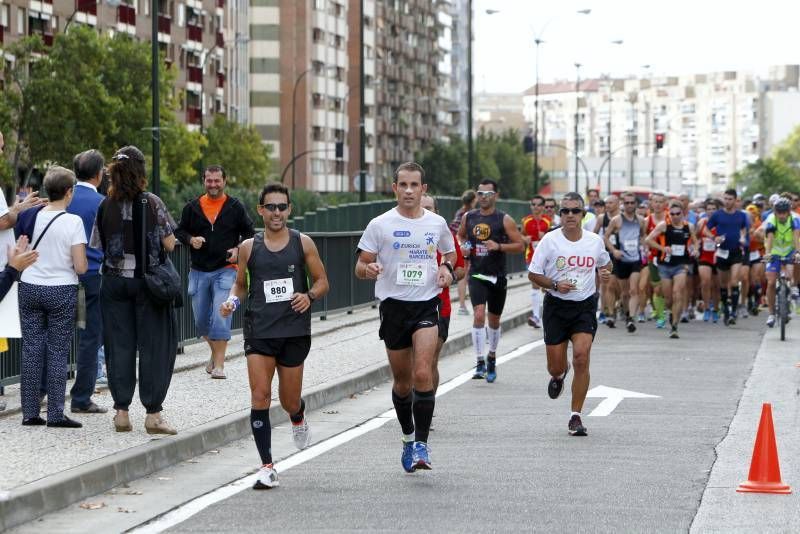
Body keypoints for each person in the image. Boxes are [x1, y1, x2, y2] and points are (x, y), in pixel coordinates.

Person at [220, 181, 328, 489]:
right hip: (260, 331)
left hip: (293, 330)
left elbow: (322, 282)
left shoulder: (303, 243)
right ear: (261, 210)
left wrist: (309, 295)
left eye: (282, 207)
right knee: (260, 396)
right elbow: (241, 285)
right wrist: (231, 301)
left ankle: (297, 416)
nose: (277, 212)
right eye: (271, 207)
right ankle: (267, 466)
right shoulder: (248, 247)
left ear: (289, 209)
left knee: (288, 399)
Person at [355, 162, 455, 473]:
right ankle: (408, 438)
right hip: (393, 307)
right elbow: (360, 265)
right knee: (402, 382)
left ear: (424, 189)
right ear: (395, 188)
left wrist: (446, 269)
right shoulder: (379, 224)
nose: (409, 190)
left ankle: (422, 445)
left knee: (423, 373)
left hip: (426, 303)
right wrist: (368, 269)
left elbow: (450, 255)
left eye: (415, 185)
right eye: (403, 185)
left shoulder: (436, 223)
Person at [91, 146, 179, 435]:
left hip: (114, 283)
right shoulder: (151, 202)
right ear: (141, 172)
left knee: (119, 346)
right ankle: (153, 415)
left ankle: (121, 413)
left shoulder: (105, 204)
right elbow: (169, 243)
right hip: (147, 283)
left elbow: (98, 245)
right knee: (153, 347)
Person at [529, 192, 612, 436]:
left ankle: (575, 416)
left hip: (584, 306)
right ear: (560, 215)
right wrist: (555, 285)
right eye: (565, 211)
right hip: (556, 306)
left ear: (583, 214)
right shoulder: (550, 241)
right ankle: (559, 374)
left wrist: (606, 273)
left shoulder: (594, 241)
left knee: (581, 357)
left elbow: (606, 264)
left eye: (575, 211)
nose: (570, 215)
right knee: (555, 367)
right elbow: (533, 274)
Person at [19, 166, 88, 428]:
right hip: (61, 289)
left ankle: (30, 413)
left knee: (31, 349)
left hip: (29, 287)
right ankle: (56, 414)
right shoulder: (73, 222)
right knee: (57, 351)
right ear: (69, 192)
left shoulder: (30, 217)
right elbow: (80, 267)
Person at [176, 165, 255, 379]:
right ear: (204, 181)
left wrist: (238, 250)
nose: (213, 184)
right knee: (201, 321)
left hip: (226, 270)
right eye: (209, 181)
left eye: (217, 180)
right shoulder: (192, 207)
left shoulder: (235, 207)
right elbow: (179, 230)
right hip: (199, 270)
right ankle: (215, 353)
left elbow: (250, 233)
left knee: (222, 313)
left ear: (224, 181)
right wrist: (191, 240)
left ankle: (219, 365)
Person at [457, 179, 524, 383]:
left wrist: (500, 247)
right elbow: (460, 237)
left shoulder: (504, 219)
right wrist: (465, 246)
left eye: (488, 193)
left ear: (495, 195)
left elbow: (520, 245)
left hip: (497, 276)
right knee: (478, 315)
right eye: (480, 193)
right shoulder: (469, 217)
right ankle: (479, 362)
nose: (483, 197)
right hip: (477, 273)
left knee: (493, 320)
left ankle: (492, 357)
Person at [66, 149, 108, 414]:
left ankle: (39, 392)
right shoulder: (102, 203)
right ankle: (81, 397)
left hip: (61, 276)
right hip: (92, 277)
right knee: (90, 337)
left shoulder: (64, 199)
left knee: (53, 336)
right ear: (98, 174)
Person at [421, 194, 466, 391]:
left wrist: (449, 275)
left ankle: (425, 408)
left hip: (440, 306)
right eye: (421, 208)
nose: (425, 212)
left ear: (436, 212)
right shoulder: (400, 233)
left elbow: (461, 269)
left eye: (429, 208)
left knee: (429, 360)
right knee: (413, 363)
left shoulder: (444, 235)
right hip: (407, 304)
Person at [646, 200, 698, 338]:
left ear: (683, 213)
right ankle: (671, 312)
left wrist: (696, 250)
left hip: (681, 265)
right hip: (665, 265)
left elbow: (695, 242)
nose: (675, 216)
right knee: (668, 298)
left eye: (678, 213)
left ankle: (675, 325)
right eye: (672, 213)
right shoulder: (664, 225)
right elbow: (648, 240)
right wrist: (663, 248)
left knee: (678, 293)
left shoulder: (689, 226)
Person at [604, 192, 647, 333]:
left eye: (632, 203)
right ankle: (618, 312)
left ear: (635, 204)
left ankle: (631, 318)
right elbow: (605, 237)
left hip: (635, 259)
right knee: (624, 293)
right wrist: (613, 250)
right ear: (623, 204)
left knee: (633, 289)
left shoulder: (641, 220)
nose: (629, 205)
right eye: (626, 203)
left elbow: (643, 236)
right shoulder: (617, 220)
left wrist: (643, 247)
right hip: (621, 259)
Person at [707, 188, 749, 326]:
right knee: (723, 284)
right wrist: (715, 237)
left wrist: (742, 237)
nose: (727, 201)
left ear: (735, 200)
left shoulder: (741, 215)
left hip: (736, 251)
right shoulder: (717, 215)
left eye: (730, 199)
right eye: (725, 199)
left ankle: (733, 312)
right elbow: (706, 229)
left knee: (734, 281)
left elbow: (744, 228)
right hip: (722, 252)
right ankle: (725, 309)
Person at [757, 197, 800, 328]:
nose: (781, 215)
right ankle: (771, 314)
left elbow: (796, 237)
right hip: (774, 251)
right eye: (779, 213)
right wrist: (768, 254)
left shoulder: (795, 219)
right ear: (775, 212)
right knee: (770, 282)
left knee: (798, 260)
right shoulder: (771, 219)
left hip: (790, 250)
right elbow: (769, 238)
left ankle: (794, 286)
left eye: (784, 213)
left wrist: (798, 252)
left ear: (788, 212)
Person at [520, 195, 551, 328]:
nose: (536, 207)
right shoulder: (525, 220)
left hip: (547, 258)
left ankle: (547, 314)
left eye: (539, 205)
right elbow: (520, 234)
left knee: (546, 288)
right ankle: (536, 317)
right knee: (535, 284)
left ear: (543, 207)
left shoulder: (549, 221)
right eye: (533, 204)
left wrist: (546, 236)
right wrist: (524, 238)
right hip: (531, 256)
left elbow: (557, 238)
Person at [450, 190, 476, 316]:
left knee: (464, 275)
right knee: (466, 275)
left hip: (458, 244)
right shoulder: (470, 214)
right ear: (472, 201)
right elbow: (470, 234)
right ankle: (464, 305)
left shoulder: (459, 212)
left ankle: (462, 305)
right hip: (466, 245)